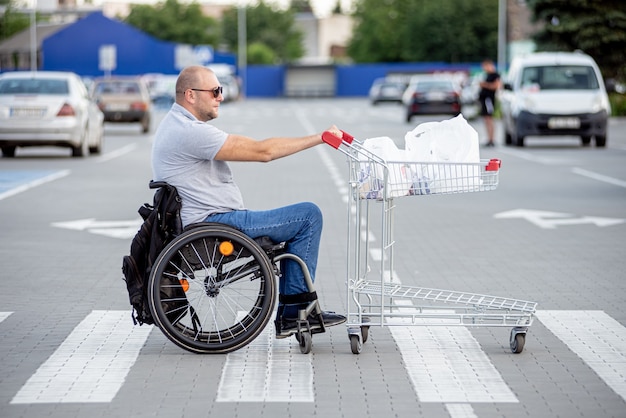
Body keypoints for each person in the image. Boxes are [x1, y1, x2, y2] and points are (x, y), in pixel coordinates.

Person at [151, 65, 346, 339]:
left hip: (208, 225)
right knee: (308, 216)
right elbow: (263, 151)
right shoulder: (189, 132)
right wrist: (320, 138)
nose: (221, 96)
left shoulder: (177, 125)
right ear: (190, 95)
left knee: (298, 221)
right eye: (215, 91)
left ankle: (295, 310)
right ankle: (295, 312)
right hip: (215, 226)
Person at [478, 59, 501, 147]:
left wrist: (484, 85)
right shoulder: (487, 75)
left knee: (489, 119)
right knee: (486, 120)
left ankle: (491, 139)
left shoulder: (495, 75)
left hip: (489, 100)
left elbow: (496, 86)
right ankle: (489, 138)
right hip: (484, 100)